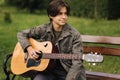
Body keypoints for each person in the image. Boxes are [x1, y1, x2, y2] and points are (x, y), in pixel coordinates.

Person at [17, 0, 86, 80]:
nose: (64, 17)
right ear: (51, 15)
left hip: (67, 72)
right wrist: (29, 48)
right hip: (46, 70)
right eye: (60, 14)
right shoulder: (43, 29)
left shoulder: (74, 34)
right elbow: (21, 34)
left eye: (65, 13)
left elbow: (77, 62)